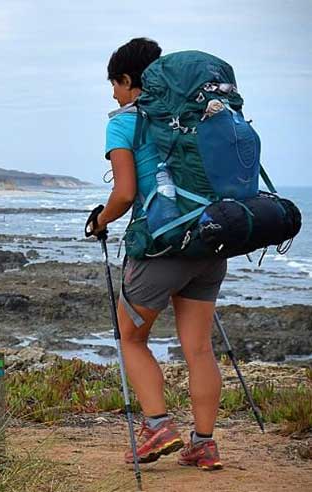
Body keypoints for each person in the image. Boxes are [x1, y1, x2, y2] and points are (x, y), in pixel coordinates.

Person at [89, 37, 225, 471]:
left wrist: (101, 221)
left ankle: (157, 425)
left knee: (131, 337)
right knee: (199, 348)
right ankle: (203, 444)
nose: (113, 93)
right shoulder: (196, 117)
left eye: (115, 83)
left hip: (162, 245)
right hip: (211, 241)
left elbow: (125, 193)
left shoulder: (123, 123)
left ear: (129, 80)